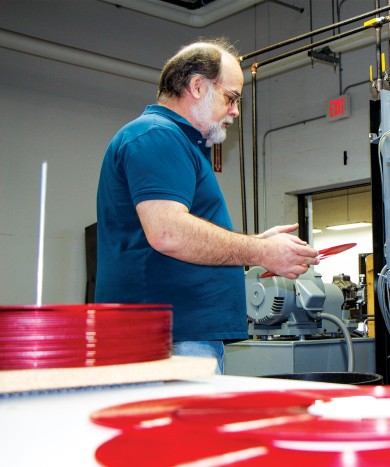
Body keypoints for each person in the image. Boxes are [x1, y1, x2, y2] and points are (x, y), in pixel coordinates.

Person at [95, 38, 319, 374]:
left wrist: (258, 243)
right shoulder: (157, 136)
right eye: (231, 98)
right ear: (198, 87)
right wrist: (260, 253)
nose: (235, 111)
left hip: (177, 334)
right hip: (167, 337)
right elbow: (169, 233)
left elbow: (177, 231)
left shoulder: (172, 141)